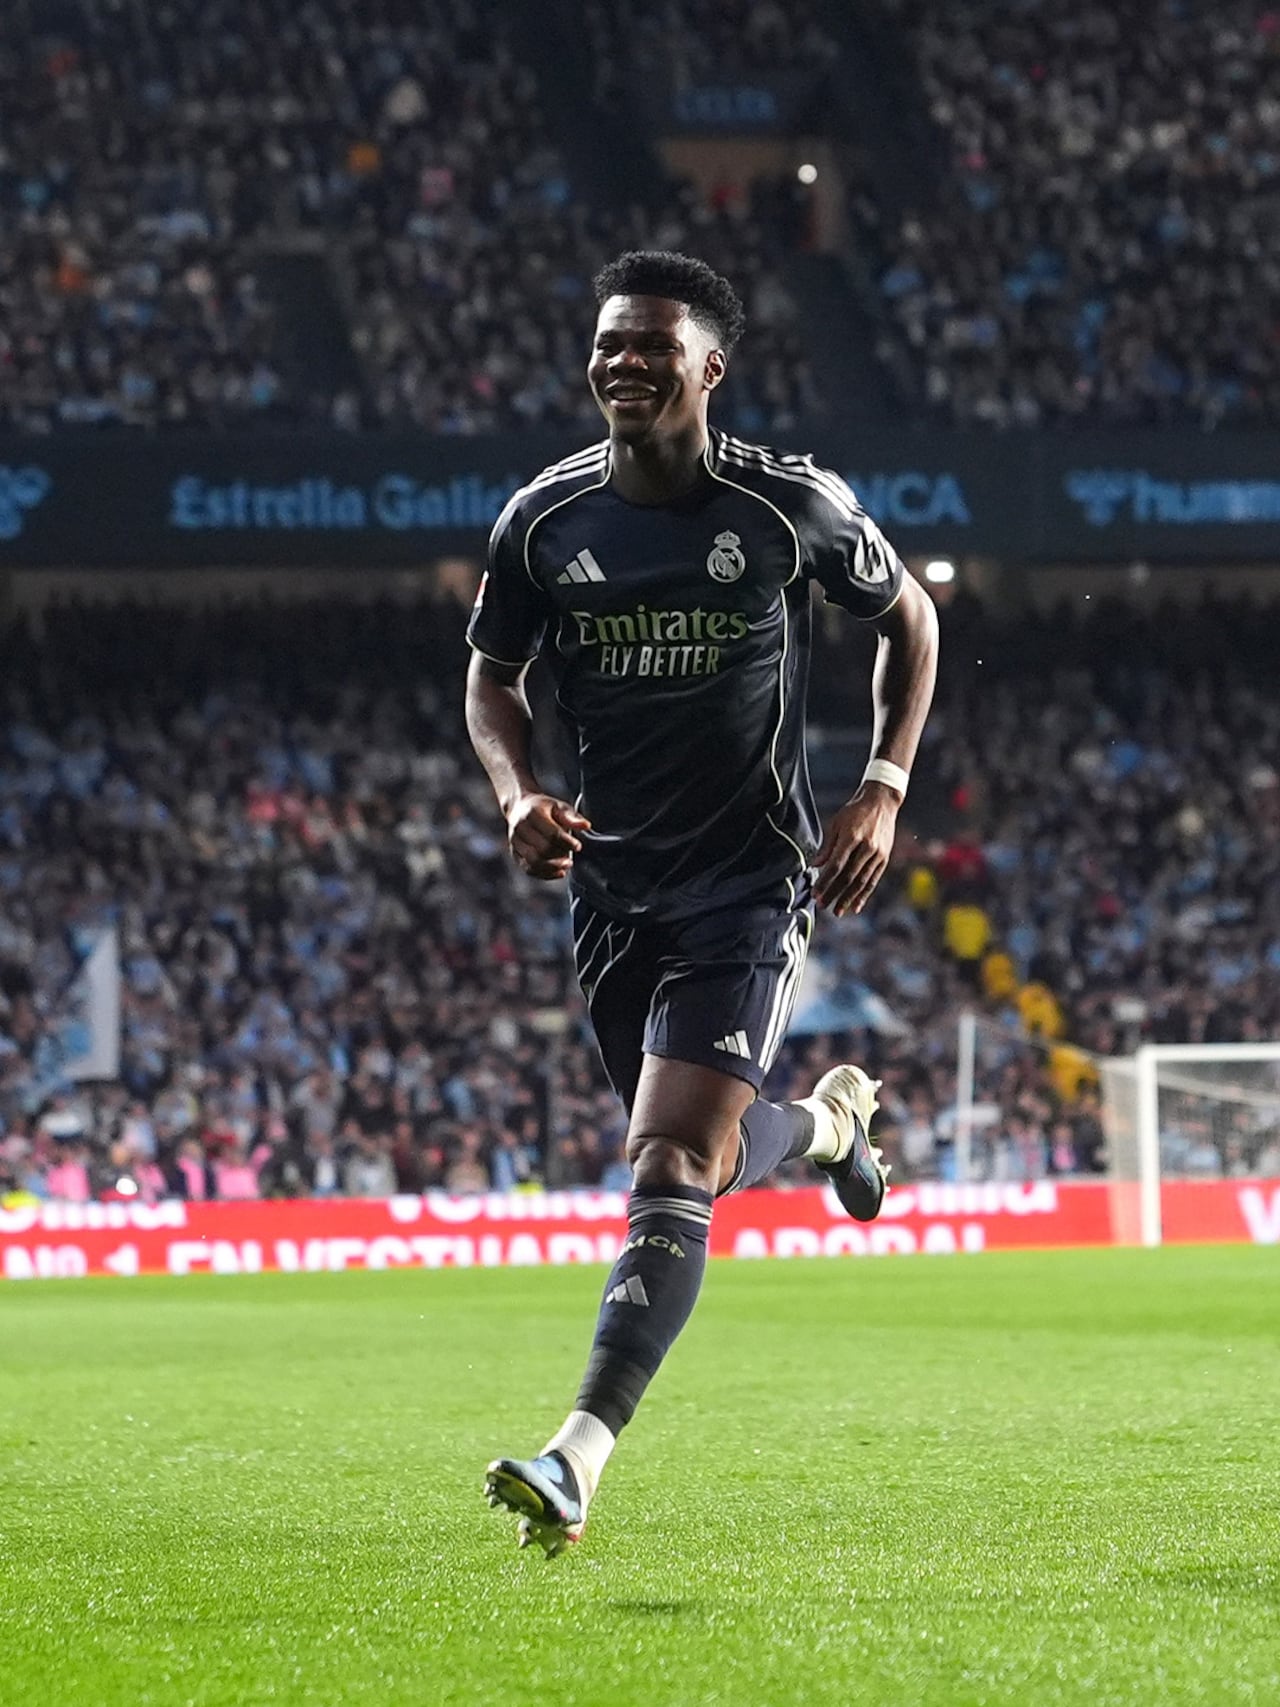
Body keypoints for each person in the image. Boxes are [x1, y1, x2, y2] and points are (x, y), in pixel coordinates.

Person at [465, 250, 939, 1556]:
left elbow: (911, 620)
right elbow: (491, 684)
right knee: (709, 1160)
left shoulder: (789, 506)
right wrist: (515, 791)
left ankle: (577, 1459)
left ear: (709, 368)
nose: (622, 362)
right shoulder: (543, 522)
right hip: (616, 893)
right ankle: (831, 1134)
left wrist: (884, 786)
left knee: (668, 1159)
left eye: (651, 346)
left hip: (750, 880)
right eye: (609, 343)